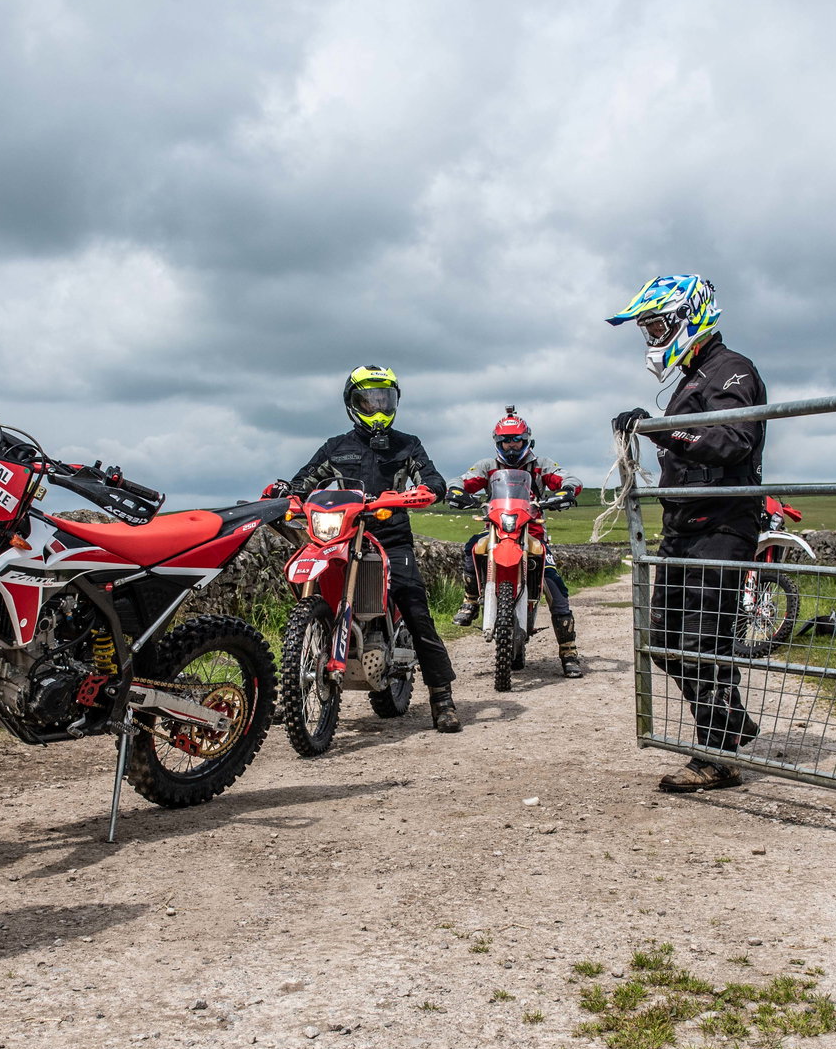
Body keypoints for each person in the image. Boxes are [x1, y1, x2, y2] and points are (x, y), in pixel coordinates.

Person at [607, 274, 766, 793]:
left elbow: (731, 439)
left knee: (703, 639)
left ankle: (717, 755)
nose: (652, 339)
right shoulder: (689, 379)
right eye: (646, 329)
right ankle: (730, 718)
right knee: (663, 642)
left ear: (688, 318)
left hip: (721, 525)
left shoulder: (732, 370)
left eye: (656, 326)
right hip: (682, 525)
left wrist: (660, 428)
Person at [263, 366, 462, 733]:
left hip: (391, 537)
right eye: (369, 399)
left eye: (384, 398)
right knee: (309, 597)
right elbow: (303, 480)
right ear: (352, 403)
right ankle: (294, 686)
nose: (377, 406)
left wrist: (427, 490)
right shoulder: (336, 447)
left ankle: (441, 697)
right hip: (342, 534)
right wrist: (286, 493)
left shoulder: (408, 444)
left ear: (394, 400)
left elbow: (431, 478)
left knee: (416, 609)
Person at [444, 408, 585, 678]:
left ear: (526, 440)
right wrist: (457, 491)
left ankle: (569, 652)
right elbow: (461, 479)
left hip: (532, 534)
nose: (511, 445)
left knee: (556, 590)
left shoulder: (540, 464)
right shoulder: (488, 466)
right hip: (497, 531)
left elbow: (568, 478)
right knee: (472, 547)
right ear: (498, 443)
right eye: (506, 440)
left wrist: (566, 491)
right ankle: (471, 600)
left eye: (516, 440)